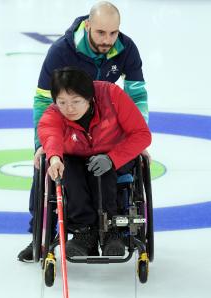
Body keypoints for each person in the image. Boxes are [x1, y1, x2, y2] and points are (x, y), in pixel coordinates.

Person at [17, 1, 149, 262]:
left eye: (114, 33)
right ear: (88, 26)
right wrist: (43, 145)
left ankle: (112, 229)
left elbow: (136, 95)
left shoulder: (126, 49)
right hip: (69, 123)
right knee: (44, 168)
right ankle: (38, 235)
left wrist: (136, 137)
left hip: (107, 118)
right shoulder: (61, 52)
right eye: (101, 33)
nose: (108, 40)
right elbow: (45, 102)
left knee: (112, 167)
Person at [37, 66, 151, 257]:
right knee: (70, 171)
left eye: (76, 101)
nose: (69, 108)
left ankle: (110, 231)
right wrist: (54, 157)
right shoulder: (55, 113)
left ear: (89, 98)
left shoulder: (112, 95)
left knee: (103, 172)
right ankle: (84, 233)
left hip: (115, 153)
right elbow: (50, 133)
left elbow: (141, 134)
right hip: (75, 158)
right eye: (62, 102)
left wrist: (112, 158)